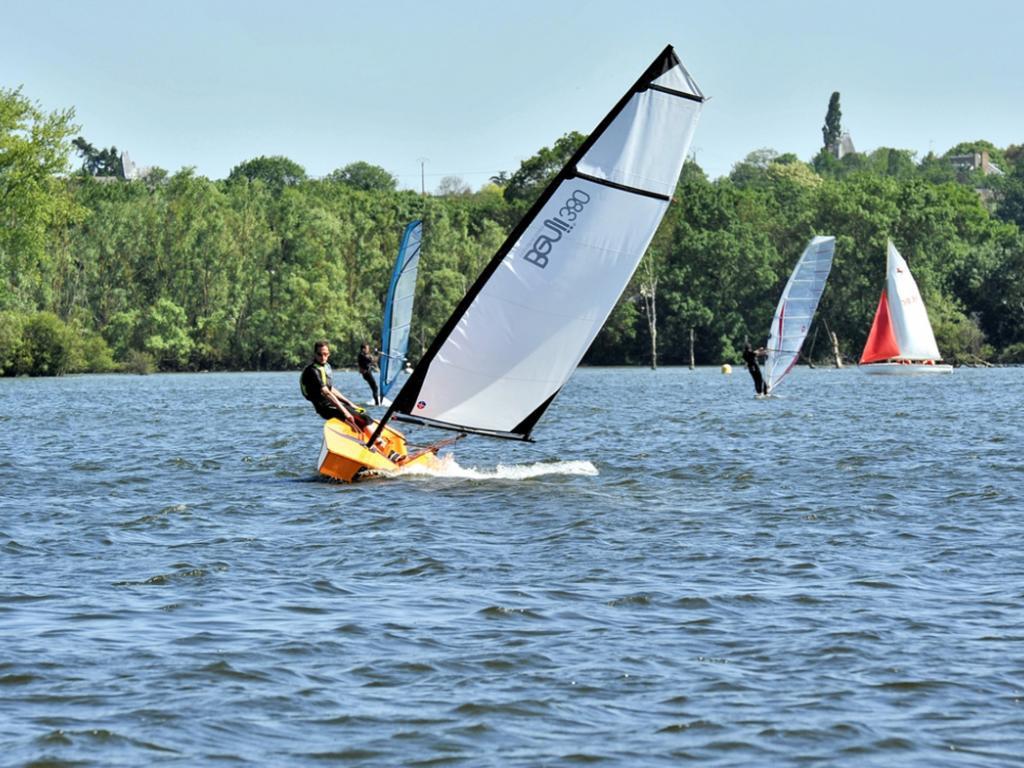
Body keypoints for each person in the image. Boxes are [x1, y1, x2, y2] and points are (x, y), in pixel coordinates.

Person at [300, 340, 369, 430]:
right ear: (315, 354)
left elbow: (330, 389)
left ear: (329, 354)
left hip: (332, 404)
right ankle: (377, 440)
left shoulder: (326, 366)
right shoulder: (312, 371)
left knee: (361, 411)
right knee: (359, 417)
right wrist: (345, 412)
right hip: (324, 408)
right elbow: (326, 393)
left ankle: (371, 431)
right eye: (319, 354)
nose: (323, 357)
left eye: (325, 354)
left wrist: (349, 403)